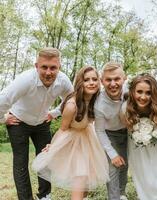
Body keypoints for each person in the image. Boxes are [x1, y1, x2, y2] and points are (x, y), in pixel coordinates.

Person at [0, 47, 73, 200]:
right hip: (18, 121)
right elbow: (2, 101)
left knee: (46, 159)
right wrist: (3, 118)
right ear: (36, 66)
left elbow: (71, 100)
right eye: (44, 67)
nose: (48, 72)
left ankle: (45, 196)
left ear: (59, 67)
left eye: (53, 68)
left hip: (42, 122)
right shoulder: (25, 80)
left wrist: (55, 113)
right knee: (21, 162)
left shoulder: (63, 81)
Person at [32, 66, 109, 200]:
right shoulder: (72, 105)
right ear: (80, 83)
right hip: (74, 142)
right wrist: (53, 146)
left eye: (94, 79)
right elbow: (63, 128)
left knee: (86, 181)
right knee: (79, 178)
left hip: (88, 139)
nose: (91, 82)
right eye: (86, 80)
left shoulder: (95, 100)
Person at [121, 74, 157, 200]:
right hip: (136, 143)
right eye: (139, 92)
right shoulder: (125, 109)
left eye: (148, 93)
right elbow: (128, 129)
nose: (143, 97)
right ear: (132, 91)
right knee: (143, 172)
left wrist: (154, 134)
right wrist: (139, 136)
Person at [94, 62, 128, 200]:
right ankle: (113, 197)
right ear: (102, 81)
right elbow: (100, 131)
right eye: (108, 80)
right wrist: (112, 154)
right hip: (110, 134)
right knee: (114, 166)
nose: (113, 84)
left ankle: (121, 193)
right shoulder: (99, 104)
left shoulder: (130, 90)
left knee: (125, 164)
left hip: (129, 132)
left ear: (124, 79)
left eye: (117, 79)